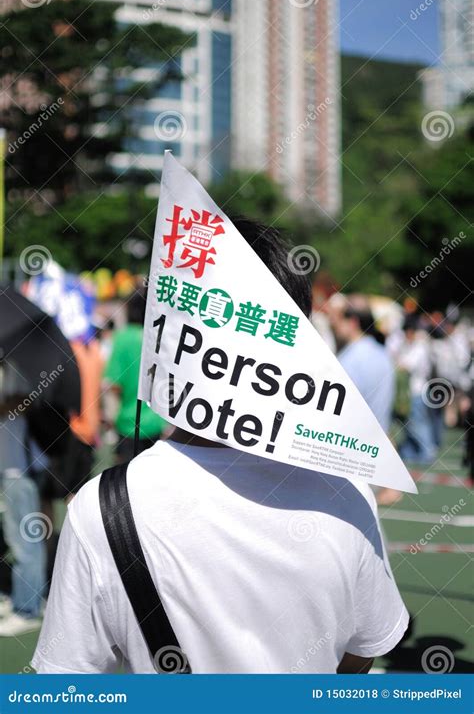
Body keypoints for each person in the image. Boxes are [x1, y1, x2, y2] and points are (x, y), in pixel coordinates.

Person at [32, 221, 408, 674]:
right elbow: (363, 650)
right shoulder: (346, 492)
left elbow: (69, 682)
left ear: (170, 334)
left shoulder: (102, 506)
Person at [0, 362, 47, 636]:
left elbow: (28, 400)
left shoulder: (18, 365)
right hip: (12, 465)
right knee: (16, 537)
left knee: (24, 540)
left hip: (20, 466)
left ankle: (28, 607)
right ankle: (21, 598)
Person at [103, 289, 168, 464]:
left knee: (125, 483)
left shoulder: (123, 338)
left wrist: (109, 417)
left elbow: (114, 384)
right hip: (156, 423)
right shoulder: (159, 337)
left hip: (128, 424)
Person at [331, 299, 395, 433]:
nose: (334, 324)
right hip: (376, 440)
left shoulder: (350, 358)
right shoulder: (383, 354)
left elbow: (338, 408)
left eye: (339, 319)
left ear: (353, 322)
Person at [395, 316, 436, 465]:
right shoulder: (408, 345)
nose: (406, 335)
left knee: (418, 423)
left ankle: (427, 452)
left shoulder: (419, 347)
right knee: (409, 424)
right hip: (408, 393)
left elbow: (406, 365)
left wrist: (396, 362)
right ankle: (412, 452)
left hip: (417, 392)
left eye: (408, 332)